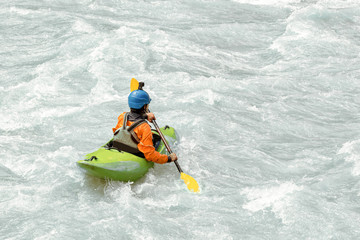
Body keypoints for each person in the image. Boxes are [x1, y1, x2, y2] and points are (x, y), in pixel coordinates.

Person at [112, 88, 178, 164]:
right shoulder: (144, 127)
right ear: (144, 107)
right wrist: (168, 158)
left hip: (120, 146)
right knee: (156, 140)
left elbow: (133, 117)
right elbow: (150, 155)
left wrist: (145, 116)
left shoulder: (123, 116)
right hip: (135, 152)